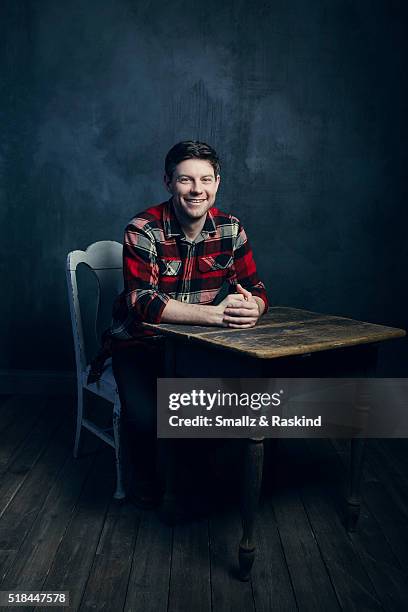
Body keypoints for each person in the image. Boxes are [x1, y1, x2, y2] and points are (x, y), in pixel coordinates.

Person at [108, 140, 269, 507]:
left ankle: (200, 482)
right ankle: (147, 485)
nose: (197, 190)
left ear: (217, 183)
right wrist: (218, 315)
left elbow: (257, 287)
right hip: (140, 344)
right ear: (168, 182)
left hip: (197, 346)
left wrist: (255, 307)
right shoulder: (142, 229)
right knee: (148, 420)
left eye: (205, 179)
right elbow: (142, 303)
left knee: (226, 406)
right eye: (185, 180)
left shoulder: (232, 229)